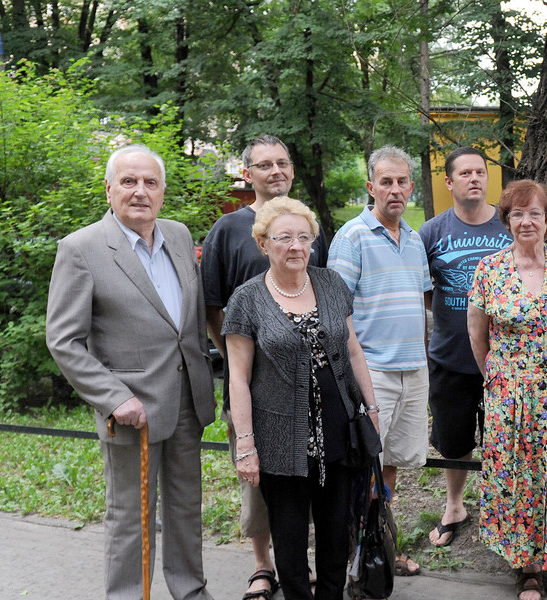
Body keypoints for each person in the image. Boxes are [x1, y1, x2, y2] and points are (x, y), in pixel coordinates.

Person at [46, 144, 217, 600]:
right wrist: (113, 397)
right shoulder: (81, 249)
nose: (140, 191)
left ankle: (191, 592)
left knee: (186, 509)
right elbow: (63, 339)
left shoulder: (179, 236)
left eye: (150, 183)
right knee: (130, 516)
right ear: (109, 189)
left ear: (161, 192)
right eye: (129, 181)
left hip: (186, 400)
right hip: (131, 410)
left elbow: (186, 320)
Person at [222, 197, 380, 600]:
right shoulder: (247, 299)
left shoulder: (329, 283)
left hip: (339, 434)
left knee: (334, 537)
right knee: (290, 546)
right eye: (284, 237)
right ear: (263, 243)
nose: (295, 246)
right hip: (279, 440)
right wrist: (245, 446)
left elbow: (354, 349)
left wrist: (372, 409)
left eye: (303, 237)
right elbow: (237, 379)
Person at [201, 134, 329, 599]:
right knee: (256, 476)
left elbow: (324, 298)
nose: (275, 171)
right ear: (248, 173)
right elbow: (212, 305)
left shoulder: (306, 224)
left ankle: (300, 562)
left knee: (310, 476)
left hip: (309, 382)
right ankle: (262, 564)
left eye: (282, 163)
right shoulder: (229, 229)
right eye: (264, 165)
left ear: (292, 169)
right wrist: (241, 358)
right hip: (250, 383)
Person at [467, 179, 547, 600]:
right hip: (509, 397)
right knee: (518, 477)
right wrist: (498, 379)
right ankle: (527, 568)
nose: (526, 221)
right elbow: (477, 336)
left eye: (535, 213)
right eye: (517, 214)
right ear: (507, 221)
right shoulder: (490, 270)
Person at [328, 145, 432, 577]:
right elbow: (337, 313)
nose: (394, 189)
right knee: (361, 468)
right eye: (385, 182)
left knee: (389, 465)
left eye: (402, 181)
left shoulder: (414, 239)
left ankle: (378, 549)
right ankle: (352, 559)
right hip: (372, 373)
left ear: (411, 186)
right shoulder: (351, 237)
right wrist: (357, 378)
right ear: (370, 186)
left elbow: (422, 303)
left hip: (413, 370)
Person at [418, 147, 512, 547]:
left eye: (481, 171)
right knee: (453, 441)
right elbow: (424, 291)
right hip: (450, 356)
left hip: (505, 359)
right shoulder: (432, 232)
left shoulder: (509, 227)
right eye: (466, 173)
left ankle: (505, 508)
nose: (475, 178)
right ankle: (455, 505)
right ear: (449, 182)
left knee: (504, 440)